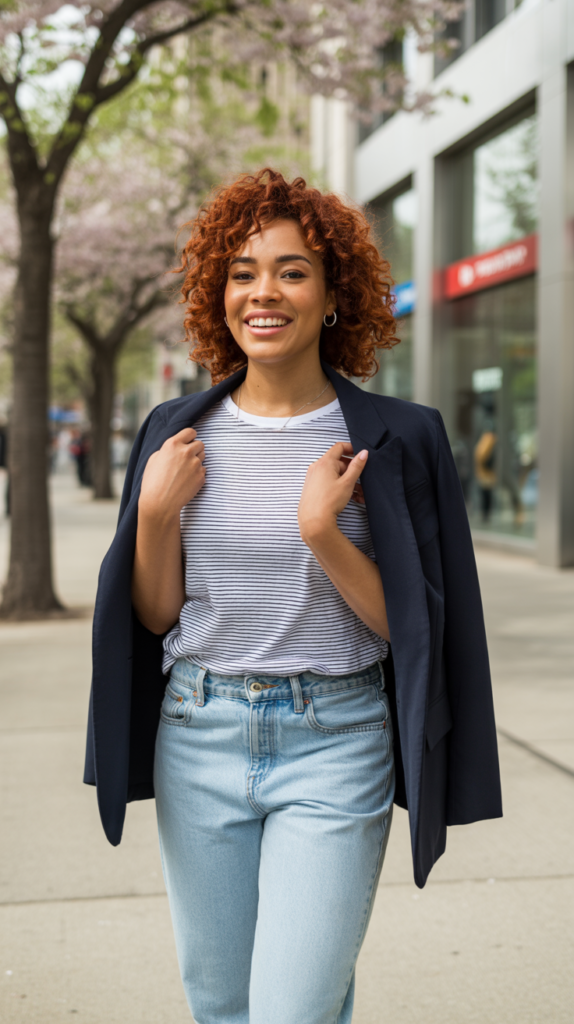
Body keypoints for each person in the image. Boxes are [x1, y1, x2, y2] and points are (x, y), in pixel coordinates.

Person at [84, 169, 502, 1024]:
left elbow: (416, 628)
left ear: (333, 293)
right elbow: (159, 614)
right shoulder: (174, 429)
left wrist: (324, 536)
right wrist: (157, 516)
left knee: (292, 1012)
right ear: (218, 294)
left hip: (337, 739)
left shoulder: (397, 435)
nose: (262, 292)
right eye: (241, 272)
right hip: (199, 733)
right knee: (223, 1004)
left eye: (291, 270)